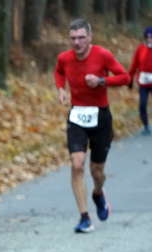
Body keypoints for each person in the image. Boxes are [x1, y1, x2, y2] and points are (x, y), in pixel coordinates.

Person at [54, 19, 129, 233]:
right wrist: (61, 89)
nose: (76, 42)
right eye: (73, 38)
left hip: (101, 117)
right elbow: (59, 72)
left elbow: (125, 77)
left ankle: (98, 193)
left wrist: (102, 81)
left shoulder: (103, 55)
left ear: (90, 37)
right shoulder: (64, 58)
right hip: (77, 115)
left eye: (81, 38)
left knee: (97, 171)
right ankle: (84, 217)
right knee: (77, 164)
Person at [127, 27, 152, 135]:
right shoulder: (140, 49)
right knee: (142, 105)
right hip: (143, 83)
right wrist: (130, 79)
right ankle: (146, 126)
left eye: (151, 37)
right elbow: (134, 65)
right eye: (148, 37)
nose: (150, 39)